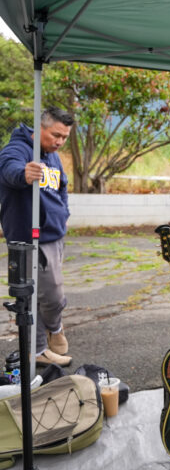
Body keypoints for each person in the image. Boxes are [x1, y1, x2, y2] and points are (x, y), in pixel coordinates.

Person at [0, 107, 75, 367]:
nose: (60, 142)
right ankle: (54, 329)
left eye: (64, 137)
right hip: (29, 239)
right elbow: (8, 169)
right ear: (39, 128)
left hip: (55, 233)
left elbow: (62, 185)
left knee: (43, 295)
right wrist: (23, 174)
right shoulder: (17, 149)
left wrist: (64, 213)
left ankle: (40, 349)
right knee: (50, 295)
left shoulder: (52, 155)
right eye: (56, 135)